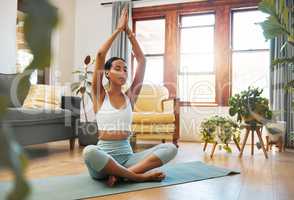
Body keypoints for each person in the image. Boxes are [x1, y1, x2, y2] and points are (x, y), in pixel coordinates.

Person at [82, 8, 178, 187]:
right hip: (103, 164)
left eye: (125, 69)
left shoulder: (131, 96)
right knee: (89, 151)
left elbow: (142, 61)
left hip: (129, 159)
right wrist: (119, 30)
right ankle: (137, 177)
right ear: (107, 74)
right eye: (117, 68)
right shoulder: (99, 95)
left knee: (171, 148)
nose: (123, 72)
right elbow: (101, 55)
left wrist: (130, 33)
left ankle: (121, 175)